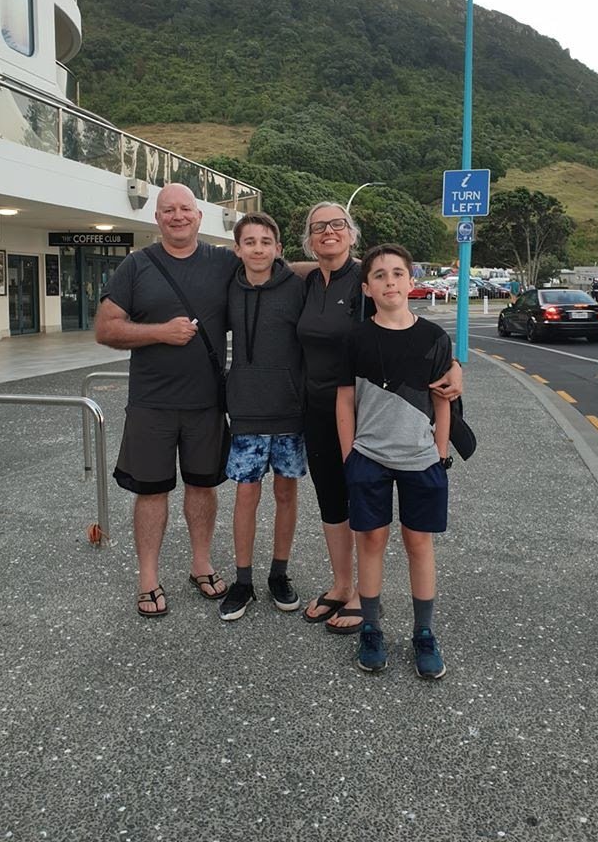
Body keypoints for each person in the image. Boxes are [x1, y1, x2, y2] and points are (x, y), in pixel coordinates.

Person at [296, 202, 463, 635]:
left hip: (371, 417)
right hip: (320, 408)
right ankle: (341, 584)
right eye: (318, 228)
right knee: (333, 501)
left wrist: (455, 365)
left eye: (337, 225)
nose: (328, 233)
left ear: (353, 234)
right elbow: (265, 260)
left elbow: (415, 336)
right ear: (309, 240)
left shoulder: (367, 276)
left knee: (378, 520)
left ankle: (364, 601)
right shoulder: (306, 280)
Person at [95, 184, 239, 617]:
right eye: (168, 210)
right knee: (151, 492)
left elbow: (274, 270)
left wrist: (348, 268)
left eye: (185, 209)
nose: (177, 216)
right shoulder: (137, 265)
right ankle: (148, 578)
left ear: (200, 216)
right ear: (157, 219)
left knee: (202, 486)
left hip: (206, 402)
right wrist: (159, 332)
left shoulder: (222, 262)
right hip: (151, 403)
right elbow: (105, 328)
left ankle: (201, 564)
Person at [336, 244, 452, 678]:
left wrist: (440, 453)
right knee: (371, 541)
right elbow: (344, 400)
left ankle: (424, 632)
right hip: (368, 456)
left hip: (422, 458)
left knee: (419, 543)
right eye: (380, 275)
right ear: (367, 287)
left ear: (411, 281)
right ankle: (371, 627)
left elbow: (444, 401)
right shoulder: (356, 338)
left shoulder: (435, 338)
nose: (390, 282)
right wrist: (350, 454)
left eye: (398, 274)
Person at [218, 213, 307, 622]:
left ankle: (279, 573)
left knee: (286, 495)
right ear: (237, 249)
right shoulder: (228, 287)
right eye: (249, 242)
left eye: (266, 241)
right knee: (245, 495)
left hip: (289, 411)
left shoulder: (297, 287)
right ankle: (242, 580)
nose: (257, 248)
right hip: (246, 411)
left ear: (278, 248)